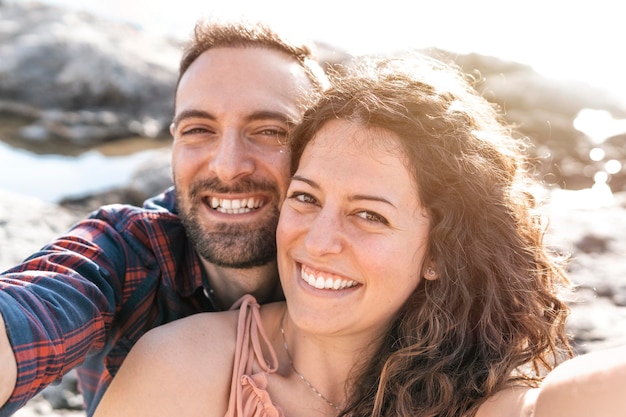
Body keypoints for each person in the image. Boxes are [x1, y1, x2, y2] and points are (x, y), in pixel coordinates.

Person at [93, 53, 626, 417]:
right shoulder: (186, 366)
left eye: (369, 215)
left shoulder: (476, 399)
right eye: (305, 198)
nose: (319, 241)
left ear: (439, 250)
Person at [0, 18, 328, 416]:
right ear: (172, 143)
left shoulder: (352, 270)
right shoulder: (122, 253)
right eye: (199, 129)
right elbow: (38, 302)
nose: (227, 167)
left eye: (270, 131)